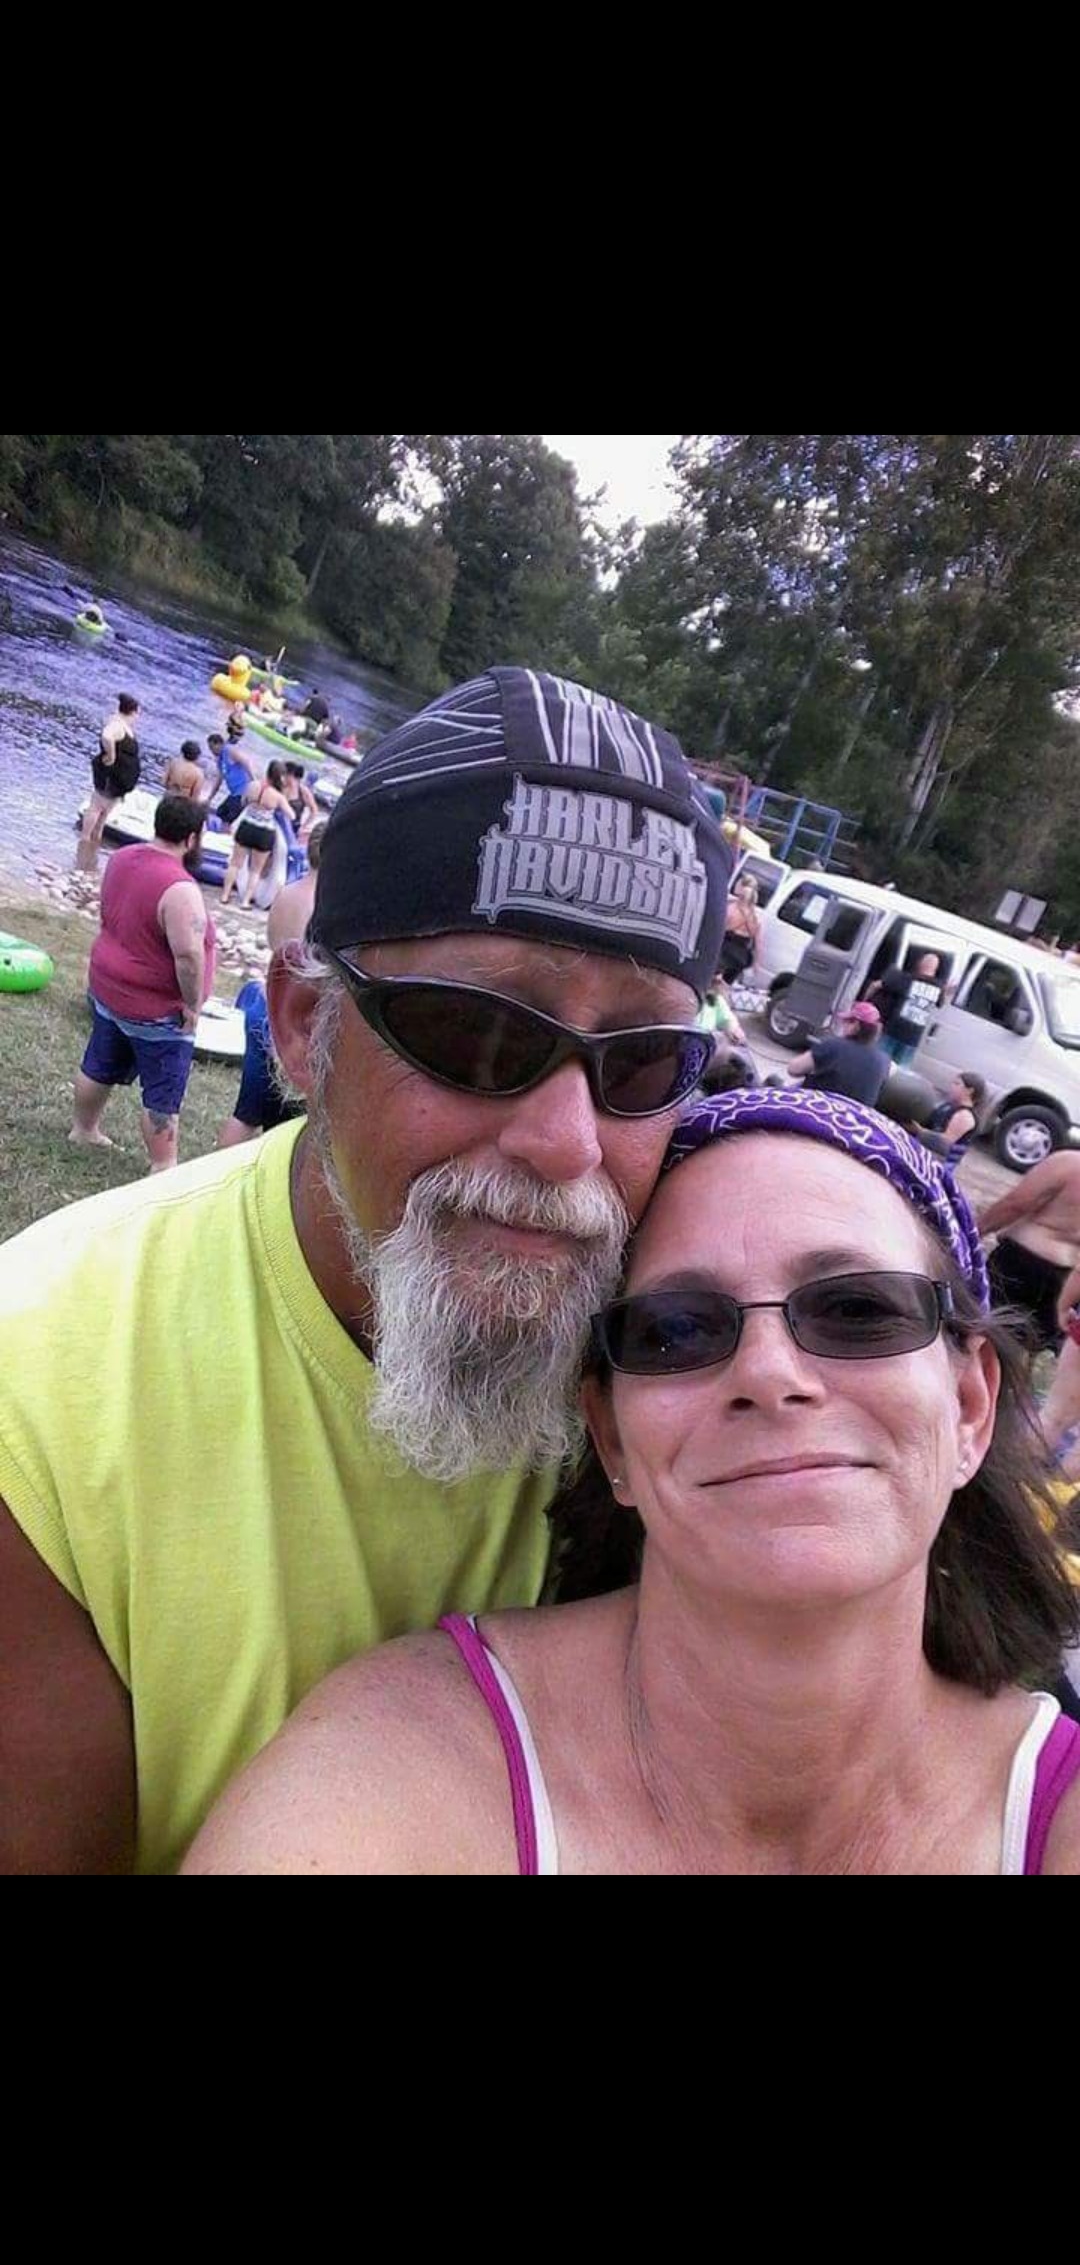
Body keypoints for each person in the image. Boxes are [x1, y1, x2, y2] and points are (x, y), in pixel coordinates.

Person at [0, 666, 729, 1872]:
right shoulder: (46, 1400)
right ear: (303, 1026)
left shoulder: (715, 1356)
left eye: (641, 1061)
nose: (569, 1144)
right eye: (479, 1034)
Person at [183, 1088, 1080, 1875]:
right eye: (678, 1330)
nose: (770, 1373)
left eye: (856, 1309)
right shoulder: (405, 1767)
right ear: (610, 1434)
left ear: (969, 1404)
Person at [69, 794, 216, 1173]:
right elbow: (188, 957)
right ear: (192, 838)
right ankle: (163, 1165)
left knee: (98, 1063)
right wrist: (192, 1005)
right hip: (155, 1009)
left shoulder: (121, 858)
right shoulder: (180, 889)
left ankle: (83, 1129)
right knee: (163, 1093)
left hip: (108, 987)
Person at [217, 824, 327, 1150]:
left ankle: (217, 1166)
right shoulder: (326, 906)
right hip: (296, 1018)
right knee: (295, 1122)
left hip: (266, 1004)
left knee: (246, 1112)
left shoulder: (286, 893)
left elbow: (272, 942)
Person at [979, 1149, 1080, 1355]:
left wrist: (976, 1230)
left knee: (983, 1329)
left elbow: (1015, 1204)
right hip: (1065, 1278)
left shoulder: (1070, 1164)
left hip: (1021, 1261)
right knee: (1025, 1348)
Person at [77, 691, 141, 870]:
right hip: (110, 775)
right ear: (133, 712)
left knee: (105, 811)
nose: (138, 717)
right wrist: (111, 755)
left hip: (120, 779)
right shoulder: (117, 725)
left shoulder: (124, 726)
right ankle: (85, 841)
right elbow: (106, 736)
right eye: (138, 713)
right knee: (97, 806)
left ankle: (95, 841)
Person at [219, 761, 295, 909]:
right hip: (264, 832)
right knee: (255, 870)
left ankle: (225, 895)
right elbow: (291, 815)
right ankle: (245, 901)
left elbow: (243, 801)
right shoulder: (278, 796)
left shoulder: (253, 785)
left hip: (247, 826)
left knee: (235, 863)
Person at [785, 1002, 890, 1106]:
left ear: (856, 1025)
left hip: (818, 1108)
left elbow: (793, 1069)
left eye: (846, 1021)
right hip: (853, 1115)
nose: (843, 1024)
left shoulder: (832, 1045)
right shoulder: (884, 1060)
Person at [865, 950, 946, 1067]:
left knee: (876, 1065)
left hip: (893, 1031)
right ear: (935, 969)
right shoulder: (939, 988)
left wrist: (864, 1001)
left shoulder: (909, 979)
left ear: (920, 964)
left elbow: (876, 985)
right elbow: (941, 1004)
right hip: (913, 1038)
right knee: (899, 1073)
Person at [914, 1072, 985, 1168]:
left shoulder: (965, 1116)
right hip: (925, 1154)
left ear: (969, 1091)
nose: (952, 1086)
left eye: (957, 1084)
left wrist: (918, 1131)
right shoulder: (949, 1106)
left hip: (937, 1165)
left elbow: (944, 1141)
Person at [213, 711, 258, 825]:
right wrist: (209, 798)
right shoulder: (222, 756)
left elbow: (247, 762)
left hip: (242, 793)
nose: (212, 752)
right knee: (219, 813)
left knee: (226, 820)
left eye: (212, 748)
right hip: (235, 794)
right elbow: (219, 780)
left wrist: (255, 784)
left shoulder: (229, 749)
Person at [717, 872, 762, 983]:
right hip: (741, 958)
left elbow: (718, 930)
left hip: (723, 952)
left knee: (711, 982)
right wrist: (756, 964)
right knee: (725, 985)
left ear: (741, 887)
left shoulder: (731, 908)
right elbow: (758, 945)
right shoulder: (755, 917)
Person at [283, 761, 318, 837]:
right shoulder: (280, 787)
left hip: (292, 828)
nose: (282, 777)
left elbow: (314, 811)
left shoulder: (303, 791)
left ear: (290, 775)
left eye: (284, 774)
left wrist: (303, 826)